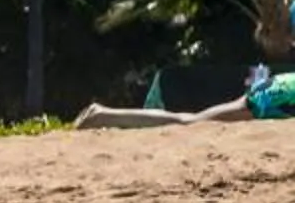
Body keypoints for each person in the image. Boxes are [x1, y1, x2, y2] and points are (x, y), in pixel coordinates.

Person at [72, 73, 295, 128]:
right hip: (280, 95)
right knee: (189, 123)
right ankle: (104, 115)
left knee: (190, 120)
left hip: (280, 87)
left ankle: (104, 114)